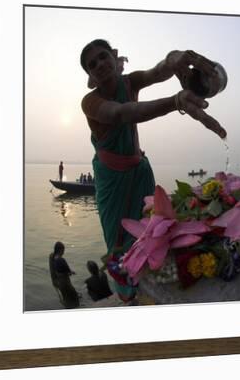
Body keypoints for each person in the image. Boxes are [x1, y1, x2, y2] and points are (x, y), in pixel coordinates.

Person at [80, 39, 226, 301]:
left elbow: (158, 72)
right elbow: (121, 113)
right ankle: (128, 292)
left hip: (139, 171)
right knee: (118, 240)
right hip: (111, 180)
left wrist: (175, 59)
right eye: (92, 64)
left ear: (115, 58)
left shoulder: (130, 82)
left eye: (103, 57)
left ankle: (151, 278)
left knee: (150, 228)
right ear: (90, 77)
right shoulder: (90, 101)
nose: (100, 64)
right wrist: (175, 102)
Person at [49, 241, 79, 309]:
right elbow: (68, 271)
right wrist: (72, 272)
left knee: (66, 299)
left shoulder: (52, 257)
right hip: (65, 283)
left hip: (59, 283)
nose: (64, 252)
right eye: (63, 250)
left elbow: (58, 270)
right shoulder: (61, 260)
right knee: (75, 299)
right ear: (60, 250)